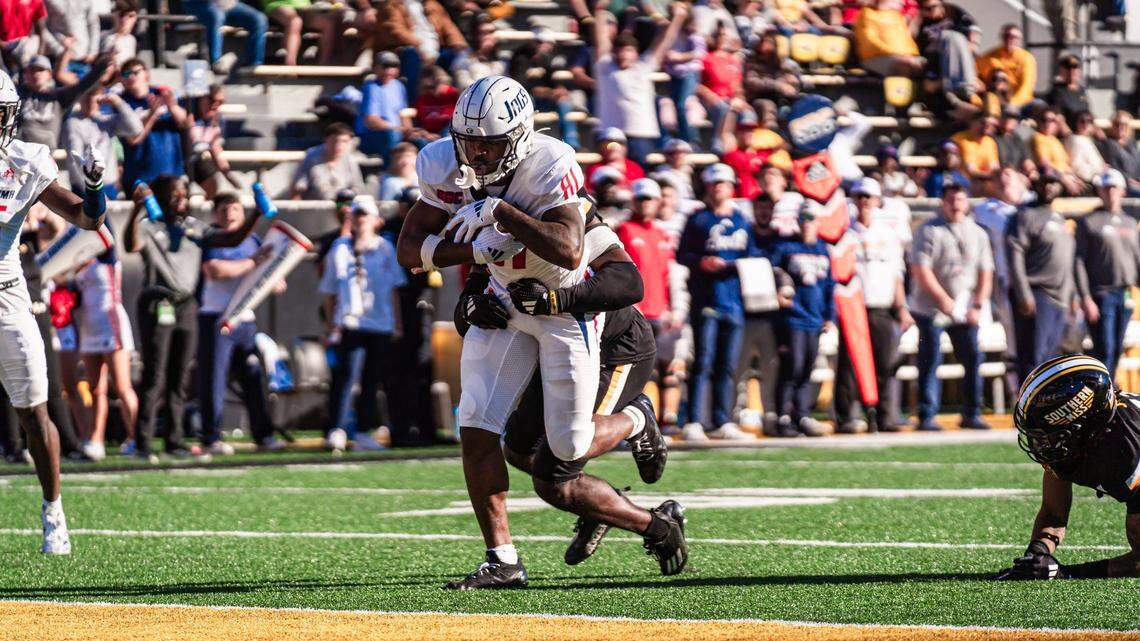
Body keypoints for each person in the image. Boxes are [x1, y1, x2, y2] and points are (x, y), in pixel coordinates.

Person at [396, 76, 688, 588]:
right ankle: (502, 559)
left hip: (568, 317)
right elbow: (410, 251)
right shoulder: (444, 165)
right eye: (471, 142)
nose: (480, 155)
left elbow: (572, 252)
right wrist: (478, 260)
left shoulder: (551, 173)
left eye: (492, 143)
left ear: (521, 138)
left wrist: (501, 215)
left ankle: (636, 422)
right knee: (477, 422)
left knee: (566, 452)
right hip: (509, 305)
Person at [464, 222, 677, 580]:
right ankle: (602, 510)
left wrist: (556, 299)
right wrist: (471, 302)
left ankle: (638, 424)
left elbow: (628, 284)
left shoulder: (569, 216)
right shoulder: (492, 215)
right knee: (517, 450)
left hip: (611, 347)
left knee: (553, 475)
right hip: (551, 347)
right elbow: (478, 276)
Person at [0, 68, 109, 554]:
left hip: (6, 293)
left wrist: (93, 187)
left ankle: (53, 510)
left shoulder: (25, 162)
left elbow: (87, 219)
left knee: (33, 408)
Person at [123, 175, 262, 460]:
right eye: (174, 193)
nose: (180, 198)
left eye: (184, 193)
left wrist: (256, 214)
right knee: (155, 375)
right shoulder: (150, 226)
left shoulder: (193, 228)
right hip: (157, 302)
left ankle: (174, 441)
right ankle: (143, 442)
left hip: (186, 304)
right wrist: (136, 209)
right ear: (160, 196)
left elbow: (231, 238)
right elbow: (131, 245)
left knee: (180, 376)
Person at [997, 356, 1140, 581]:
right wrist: (1036, 556)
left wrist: (1066, 572)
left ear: (1086, 424)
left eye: (1050, 435)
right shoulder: (1075, 445)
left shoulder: (1129, 450)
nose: (1041, 445)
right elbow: (1053, 516)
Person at [678, 163, 760, 442]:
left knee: (728, 364)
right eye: (714, 184)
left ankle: (722, 419)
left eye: (723, 183)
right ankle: (695, 420)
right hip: (706, 298)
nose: (718, 188)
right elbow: (682, 254)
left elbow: (753, 258)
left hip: (734, 301)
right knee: (703, 360)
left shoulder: (741, 221)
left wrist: (733, 265)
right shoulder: (697, 219)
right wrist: (702, 262)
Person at [197, 193, 283, 455]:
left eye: (234, 208)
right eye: (223, 209)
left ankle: (264, 435)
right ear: (215, 214)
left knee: (253, 377)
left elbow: (270, 280)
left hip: (245, 320)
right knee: (214, 380)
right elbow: (216, 270)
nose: (229, 214)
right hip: (217, 318)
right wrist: (252, 263)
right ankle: (211, 437)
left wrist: (273, 278)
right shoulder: (212, 237)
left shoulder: (253, 239)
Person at [319, 197, 405, 452]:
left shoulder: (385, 248)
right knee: (346, 377)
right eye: (356, 214)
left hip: (379, 323)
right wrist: (330, 323)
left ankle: (363, 432)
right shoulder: (340, 247)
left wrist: (397, 323)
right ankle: (337, 429)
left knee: (371, 380)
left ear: (376, 220)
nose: (360, 219)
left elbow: (394, 290)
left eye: (365, 215)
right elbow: (329, 291)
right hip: (350, 323)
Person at [909, 180, 993, 431]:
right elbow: (921, 269)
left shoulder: (978, 232)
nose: (956, 205)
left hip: (965, 306)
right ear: (942, 203)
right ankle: (927, 414)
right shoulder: (929, 230)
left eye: (960, 200)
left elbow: (985, 272)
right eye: (951, 200)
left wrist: (978, 304)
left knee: (972, 358)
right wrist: (943, 301)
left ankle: (972, 412)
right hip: (931, 307)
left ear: (967, 203)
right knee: (931, 357)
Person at [834, 178, 911, 433]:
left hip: (881, 304)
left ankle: (884, 416)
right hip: (853, 306)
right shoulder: (845, 234)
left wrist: (901, 307)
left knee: (885, 364)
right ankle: (846, 416)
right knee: (849, 365)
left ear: (878, 201)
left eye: (868, 197)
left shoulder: (888, 235)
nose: (864, 202)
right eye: (859, 197)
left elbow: (897, 274)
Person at [593, 2, 687, 164]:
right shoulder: (605, 67)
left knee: (637, 176)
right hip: (609, 134)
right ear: (615, 52)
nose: (623, 54)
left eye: (628, 50)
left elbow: (665, 40)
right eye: (620, 50)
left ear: (636, 53)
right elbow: (601, 40)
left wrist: (678, 18)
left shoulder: (644, 66)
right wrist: (599, 11)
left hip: (640, 133)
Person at [768, 207, 834, 438]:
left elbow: (829, 286)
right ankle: (783, 415)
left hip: (814, 318)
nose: (807, 224)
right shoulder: (787, 248)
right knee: (792, 367)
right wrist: (776, 292)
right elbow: (772, 272)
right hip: (793, 317)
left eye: (811, 220)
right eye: (803, 220)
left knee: (807, 368)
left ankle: (802, 414)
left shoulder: (823, 250)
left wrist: (829, 315)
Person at [74, 241, 137, 461]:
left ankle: (135, 437)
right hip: (90, 326)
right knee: (95, 389)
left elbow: (104, 229)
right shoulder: (79, 258)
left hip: (112, 324)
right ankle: (96, 440)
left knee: (121, 386)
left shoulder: (107, 255)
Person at [1075, 170, 1140, 376]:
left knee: (1117, 349)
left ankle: (1109, 393)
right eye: (1106, 187)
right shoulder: (1089, 221)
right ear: (1099, 191)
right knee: (1104, 349)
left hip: (1126, 292)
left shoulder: (1130, 223)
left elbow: (1136, 258)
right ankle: (1101, 397)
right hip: (1101, 293)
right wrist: (1086, 298)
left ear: (1122, 190)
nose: (1110, 192)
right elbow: (1078, 262)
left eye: (1114, 187)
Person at [973, 167, 1026, 385]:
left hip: (1039, 283)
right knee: (1012, 338)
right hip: (1007, 280)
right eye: (1000, 179)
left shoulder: (1033, 206)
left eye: (1009, 177)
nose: (1004, 182)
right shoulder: (986, 210)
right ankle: (1017, 391)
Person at [117, 59, 192, 190]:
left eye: (135, 72)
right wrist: (152, 113)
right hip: (139, 175)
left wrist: (172, 106)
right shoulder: (121, 103)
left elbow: (186, 124)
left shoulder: (162, 94)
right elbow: (132, 138)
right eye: (126, 74)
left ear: (147, 75)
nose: (131, 77)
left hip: (171, 171)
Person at [16, 53, 113, 149]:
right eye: (32, 70)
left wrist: (102, 66)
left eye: (41, 70)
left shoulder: (59, 96)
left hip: (46, 153)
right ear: (26, 74)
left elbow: (82, 86)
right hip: (19, 150)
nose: (36, 74)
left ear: (49, 74)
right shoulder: (16, 93)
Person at [62, 87, 143, 198]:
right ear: (80, 98)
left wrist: (118, 102)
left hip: (109, 186)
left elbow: (136, 128)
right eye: (87, 96)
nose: (90, 101)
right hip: (85, 187)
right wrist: (91, 191)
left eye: (94, 97)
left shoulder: (105, 120)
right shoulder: (72, 123)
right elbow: (75, 160)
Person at [182, 0, 267, 72]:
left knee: (259, 19)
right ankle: (216, 63)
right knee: (216, 16)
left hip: (229, 4)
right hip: (201, 4)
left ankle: (254, 63)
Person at [187, 84, 239, 198]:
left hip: (198, 160)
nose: (215, 105)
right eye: (212, 100)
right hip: (181, 158)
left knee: (213, 183)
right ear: (203, 98)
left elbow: (215, 145)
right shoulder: (188, 113)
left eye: (221, 102)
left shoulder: (219, 120)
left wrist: (227, 173)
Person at [289, 123, 366, 200]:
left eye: (344, 141)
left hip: (344, 205)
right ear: (326, 140)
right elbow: (298, 188)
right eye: (334, 141)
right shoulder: (311, 157)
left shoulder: (350, 159)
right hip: (316, 206)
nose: (338, 145)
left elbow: (358, 188)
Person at [356, 51, 409, 161]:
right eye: (385, 66)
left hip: (396, 132)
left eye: (393, 66)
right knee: (392, 135)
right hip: (372, 135)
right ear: (375, 68)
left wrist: (409, 130)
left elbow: (404, 114)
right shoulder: (371, 87)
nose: (389, 71)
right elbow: (371, 121)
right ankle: (389, 170)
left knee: (421, 141)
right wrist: (398, 129)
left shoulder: (399, 86)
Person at [854, 0, 924, 77]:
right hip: (876, 58)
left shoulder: (897, 16)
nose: (903, 2)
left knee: (929, 65)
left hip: (904, 57)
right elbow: (869, 43)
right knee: (904, 65)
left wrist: (910, 55)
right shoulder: (867, 14)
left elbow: (907, 43)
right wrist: (900, 55)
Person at [262, 0, 340, 66]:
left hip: (306, 7)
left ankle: (323, 64)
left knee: (328, 24)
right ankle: (290, 64)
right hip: (278, 4)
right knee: (295, 21)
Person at [976, 24, 1035, 108]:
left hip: (1021, 102)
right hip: (994, 100)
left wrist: (1013, 103)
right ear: (1001, 37)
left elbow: (1026, 86)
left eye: (1013, 37)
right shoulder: (989, 57)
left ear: (1019, 40)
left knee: (1040, 106)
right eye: (1006, 36)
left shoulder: (1026, 58)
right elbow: (976, 77)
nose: (1009, 39)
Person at [449, 17, 506, 90]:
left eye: (491, 32)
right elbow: (464, 86)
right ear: (474, 35)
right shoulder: (463, 58)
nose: (488, 37)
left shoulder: (502, 58)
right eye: (483, 33)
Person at [584, 128, 645, 193]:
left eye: (617, 144)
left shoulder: (635, 168)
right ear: (600, 148)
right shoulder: (593, 169)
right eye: (606, 144)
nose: (612, 149)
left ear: (625, 148)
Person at [1098, 110, 1140, 197]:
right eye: (1117, 124)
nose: (1121, 127)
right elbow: (1114, 168)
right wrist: (1131, 181)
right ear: (1112, 126)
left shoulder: (1133, 144)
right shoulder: (1109, 144)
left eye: (1124, 124)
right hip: (1123, 185)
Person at [950, 112, 999, 181]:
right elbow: (970, 171)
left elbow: (994, 168)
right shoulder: (959, 139)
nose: (988, 126)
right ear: (972, 122)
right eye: (983, 122)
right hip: (964, 183)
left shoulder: (990, 142)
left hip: (985, 182)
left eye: (992, 125)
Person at [1046, 54, 1089, 130]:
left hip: (1083, 130)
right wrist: (1069, 134)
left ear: (1080, 71)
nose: (1071, 72)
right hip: (1068, 134)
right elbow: (1058, 117)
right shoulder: (1057, 92)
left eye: (1075, 68)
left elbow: (1087, 113)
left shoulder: (1082, 91)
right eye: (1068, 68)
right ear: (1062, 71)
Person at [1065, 111, 1105, 188]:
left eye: (1089, 121)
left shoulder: (1086, 139)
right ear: (1076, 123)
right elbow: (1076, 167)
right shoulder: (1075, 140)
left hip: (1098, 176)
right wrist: (1098, 171)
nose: (1085, 124)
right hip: (1088, 179)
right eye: (1082, 121)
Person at [99, 0, 138, 67]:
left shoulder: (132, 40)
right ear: (113, 15)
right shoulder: (104, 36)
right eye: (121, 15)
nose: (125, 20)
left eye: (131, 16)